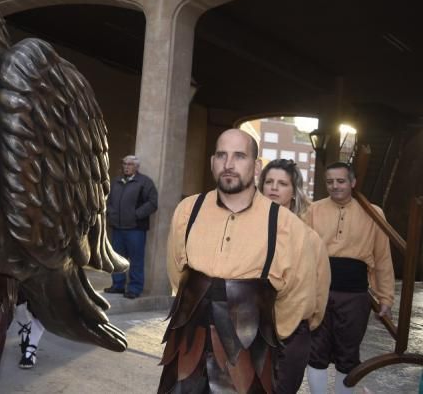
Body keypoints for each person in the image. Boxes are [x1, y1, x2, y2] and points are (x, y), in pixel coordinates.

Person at [160, 129, 319, 393]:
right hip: (187, 341)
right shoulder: (188, 210)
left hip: (249, 349)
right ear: (212, 161)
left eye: (239, 156)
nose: (229, 165)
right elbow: (176, 271)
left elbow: (298, 297)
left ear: (256, 166)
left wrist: (261, 329)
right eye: (221, 155)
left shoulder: (286, 225)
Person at [305, 161, 395, 394]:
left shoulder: (374, 213)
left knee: (348, 353)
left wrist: (386, 296)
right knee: (316, 351)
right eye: (330, 182)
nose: (335, 186)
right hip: (319, 292)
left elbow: (382, 257)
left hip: (354, 295)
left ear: (353, 182)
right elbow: (301, 252)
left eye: (341, 181)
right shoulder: (313, 210)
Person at [259, 159, 331, 394]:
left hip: (291, 338)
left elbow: (320, 291)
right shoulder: (246, 233)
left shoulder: (309, 238)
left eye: (282, 183)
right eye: (268, 182)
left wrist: (300, 324)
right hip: (248, 331)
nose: (273, 188)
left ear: (293, 192)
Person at [105, 154, 158, 299]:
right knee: (117, 258)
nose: (126, 167)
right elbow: (108, 200)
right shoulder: (116, 182)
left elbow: (153, 203)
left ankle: (134, 288)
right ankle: (118, 285)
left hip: (135, 229)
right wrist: (111, 212)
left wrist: (136, 214)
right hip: (117, 228)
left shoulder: (145, 182)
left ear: (137, 167)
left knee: (136, 260)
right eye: (125, 164)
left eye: (130, 164)